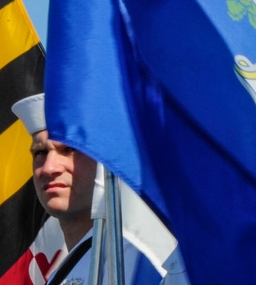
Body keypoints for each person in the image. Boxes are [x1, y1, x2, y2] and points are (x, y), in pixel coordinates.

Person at [12, 93, 168, 285]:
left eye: (71, 149)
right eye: (40, 152)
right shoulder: (65, 273)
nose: (48, 168)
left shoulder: (145, 260)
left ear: (106, 160)